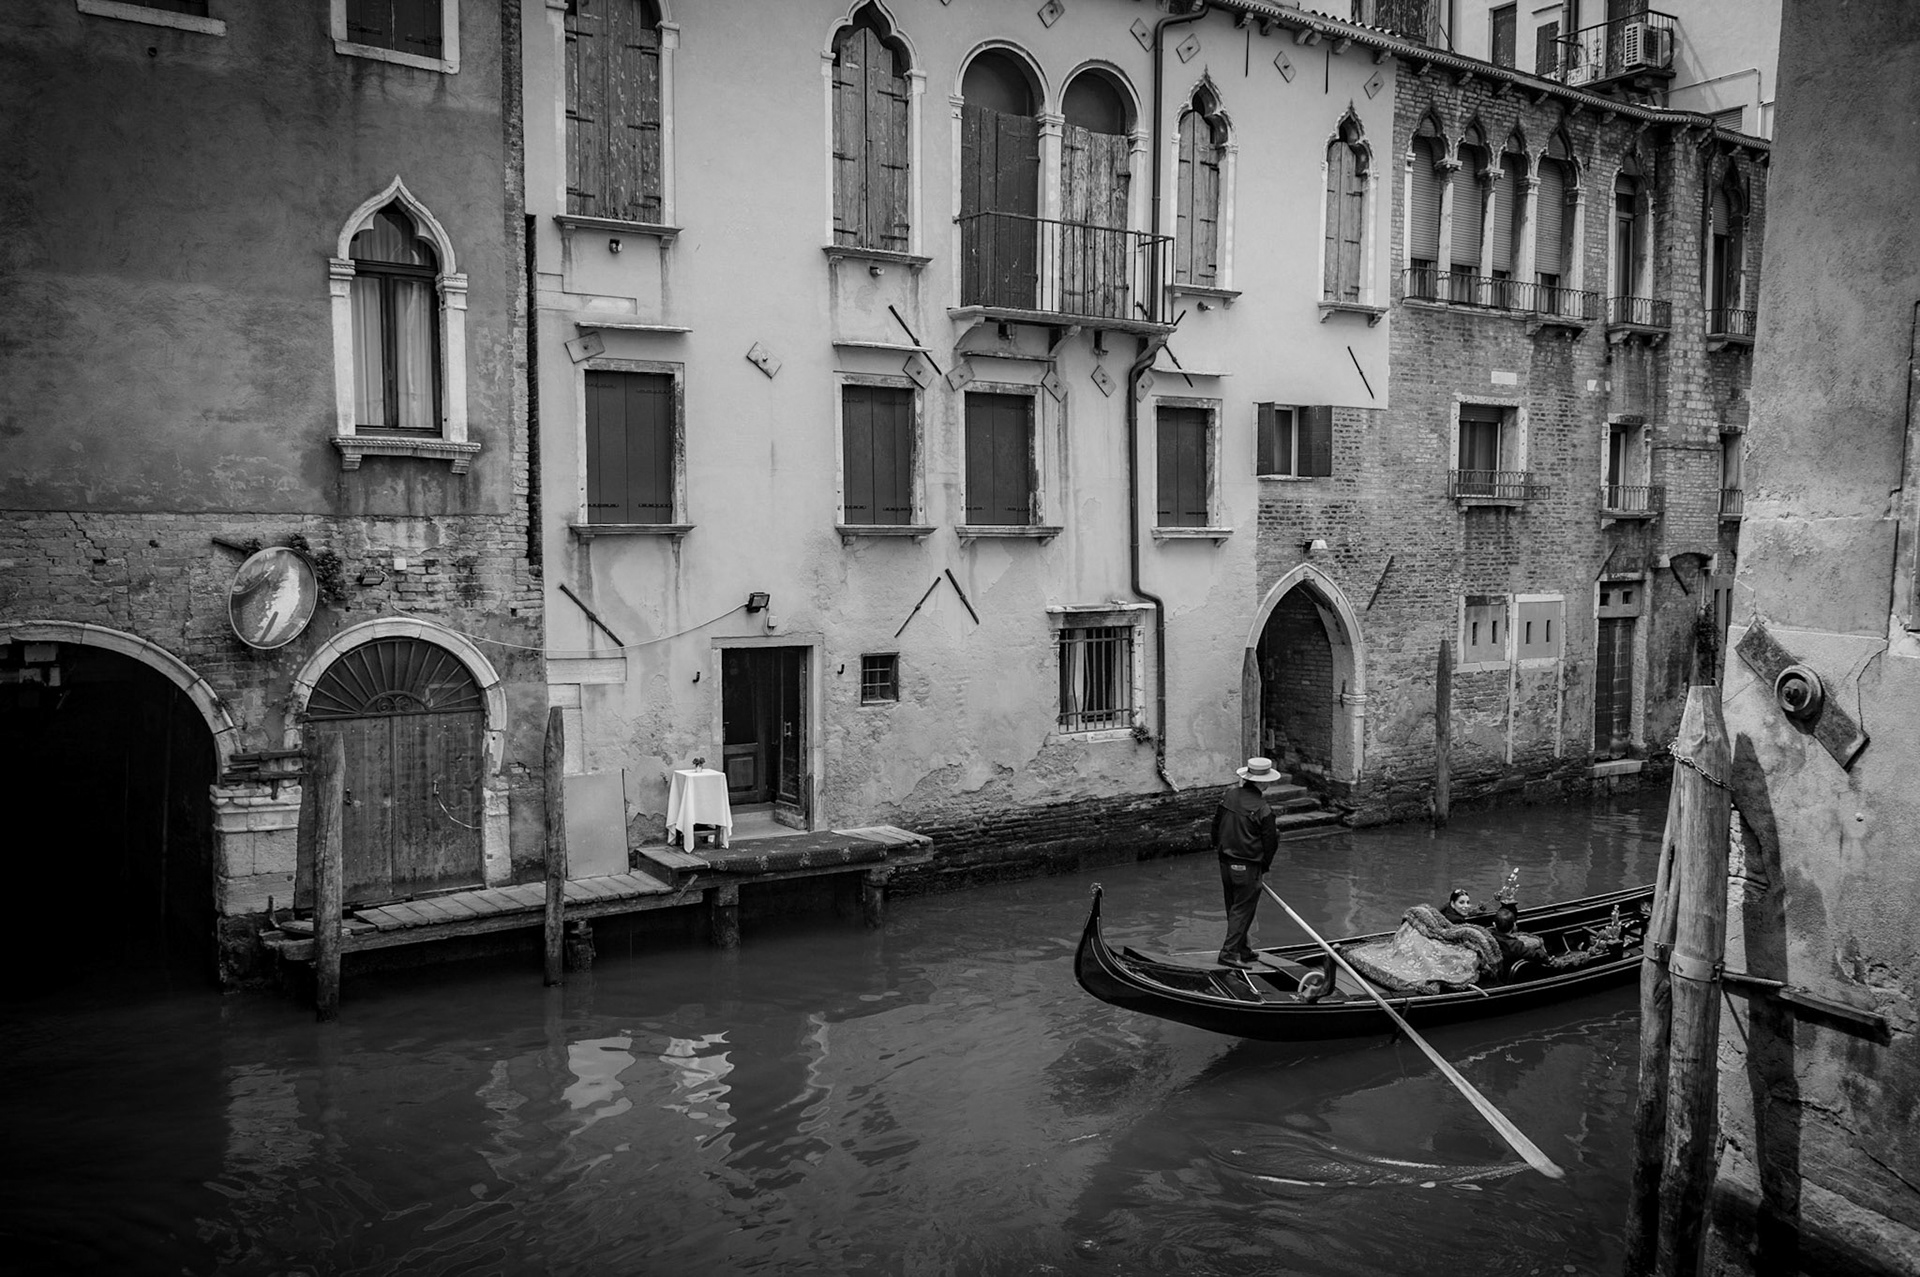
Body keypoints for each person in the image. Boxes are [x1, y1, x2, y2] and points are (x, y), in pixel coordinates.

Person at [1211, 756, 1282, 969]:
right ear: (1261, 783)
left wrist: (1219, 849)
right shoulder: (1263, 809)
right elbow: (1270, 843)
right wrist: (1264, 866)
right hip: (1247, 865)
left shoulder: (1229, 796)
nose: (1269, 784)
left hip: (1225, 862)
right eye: (1267, 780)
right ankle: (1228, 954)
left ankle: (1243, 949)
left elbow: (1215, 827)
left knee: (1235, 908)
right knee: (1242, 910)